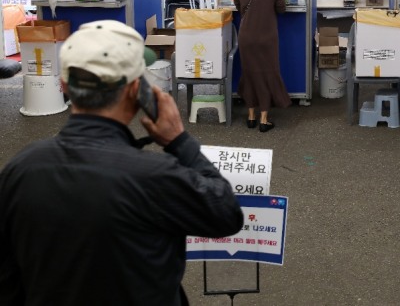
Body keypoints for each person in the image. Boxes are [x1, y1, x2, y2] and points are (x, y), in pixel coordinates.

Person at [0, 20, 244, 305]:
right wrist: (179, 141)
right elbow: (226, 213)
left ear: (64, 84)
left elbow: (7, 279)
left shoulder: (20, 169)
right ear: (135, 90)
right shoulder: (155, 177)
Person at [233, 0, 291, 133]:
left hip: (246, 36)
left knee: (249, 73)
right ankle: (264, 119)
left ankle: (250, 116)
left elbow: (239, 7)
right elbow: (281, 9)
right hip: (267, 36)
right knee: (267, 73)